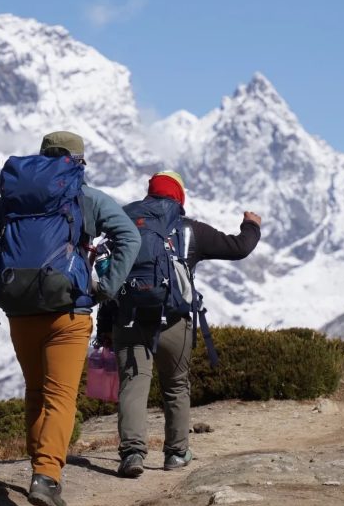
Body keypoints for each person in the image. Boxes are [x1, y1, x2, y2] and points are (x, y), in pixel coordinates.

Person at [0, 131, 140, 506]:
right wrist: (105, 287)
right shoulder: (85, 198)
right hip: (68, 312)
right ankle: (46, 477)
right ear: (79, 162)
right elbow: (129, 236)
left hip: (20, 313)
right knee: (60, 397)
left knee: (36, 392)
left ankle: (39, 467)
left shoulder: (13, 200)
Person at [99, 171, 261, 478]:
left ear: (150, 194)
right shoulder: (189, 230)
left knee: (133, 384)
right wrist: (251, 225)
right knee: (175, 386)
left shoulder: (123, 223)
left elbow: (110, 276)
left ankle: (132, 453)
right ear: (179, 197)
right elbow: (239, 248)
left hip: (129, 317)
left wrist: (105, 326)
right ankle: (176, 453)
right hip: (174, 320)